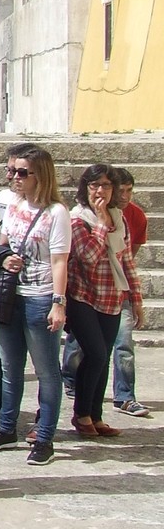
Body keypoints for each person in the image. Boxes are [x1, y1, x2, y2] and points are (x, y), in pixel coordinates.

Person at [0, 146, 69, 465]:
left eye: (21, 172)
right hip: (9, 294)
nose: (13, 177)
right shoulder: (12, 203)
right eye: (11, 171)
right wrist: (5, 259)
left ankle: (45, 438)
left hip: (40, 295)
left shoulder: (56, 212)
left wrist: (58, 302)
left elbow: (59, 260)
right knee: (8, 367)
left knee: (46, 370)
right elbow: (1, 242)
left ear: (39, 175)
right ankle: (6, 429)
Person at [67, 164, 144, 439]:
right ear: (85, 188)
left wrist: (136, 297)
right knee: (95, 353)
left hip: (112, 294)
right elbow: (87, 257)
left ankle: (96, 415)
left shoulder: (119, 218)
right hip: (83, 294)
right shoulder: (77, 218)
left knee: (104, 357)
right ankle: (81, 413)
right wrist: (100, 223)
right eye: (94, 185)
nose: (100, 191)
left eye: (106, 185)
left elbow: (125, 259)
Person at [110, 168, 150, 417]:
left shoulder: (136, 216)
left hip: (120, 284)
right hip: (91, 289)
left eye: (129, 190)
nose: (125, 196)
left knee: (124, 343)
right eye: (120, 190)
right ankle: (71, 380)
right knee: (80, 344)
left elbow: (129, 257)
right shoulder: (93, 215)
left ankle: (125, 396)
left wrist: (135, 298)